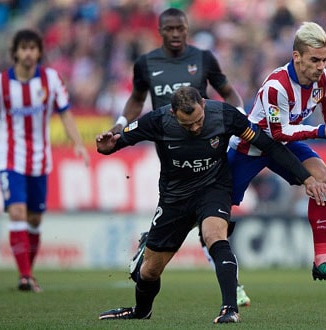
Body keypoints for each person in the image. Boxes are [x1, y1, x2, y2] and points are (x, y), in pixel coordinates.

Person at [96, 86, 326, 323]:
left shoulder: (225, 115)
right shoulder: (157, 120)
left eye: (199, 120)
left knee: (215, 235)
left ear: (204, 105)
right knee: (149, 270)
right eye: (188, 125)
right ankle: (141, 311)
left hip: (213, 189)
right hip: (174, 198)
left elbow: (268, 145)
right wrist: (107, 146)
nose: (196, 127)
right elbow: (118, 140)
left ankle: (230, 308)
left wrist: (306, 178)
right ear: (173, 113)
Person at [110, 7, 250, 307]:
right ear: (160, 31)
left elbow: (228, 92)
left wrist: (239, 119)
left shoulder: (204, 59)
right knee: (184, 212)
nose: (175, 34)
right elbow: (136, 99)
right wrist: (121, 126)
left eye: (180, 29)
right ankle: (154, 243)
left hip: (205, 147)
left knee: (211, 224)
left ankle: (232, 290)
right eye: (169, 29)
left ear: (187, 29)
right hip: (170, 149)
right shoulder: (146, 63)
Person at [228, 21, 326, 283]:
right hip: (252, 146)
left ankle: (322, 261)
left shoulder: (324, 79)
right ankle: (159, 239)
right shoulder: (276, 86)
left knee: (324, 181)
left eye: (325, 59)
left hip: (284, 142)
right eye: (315, 60)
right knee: (214, 208)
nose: (321, 66)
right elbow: (278, 132)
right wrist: (318, 132)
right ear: (297, 56)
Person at [0, 29, 90, 292]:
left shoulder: (50, 79)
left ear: (38, 52)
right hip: (10, 160)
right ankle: (24, 276)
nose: (28, 53)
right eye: (23, 48)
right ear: (15, 52)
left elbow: (66, 114)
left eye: (32, 48)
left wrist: (79, 144)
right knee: (17, 211)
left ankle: (29, 272)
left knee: (35, 219)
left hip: (40, 160)